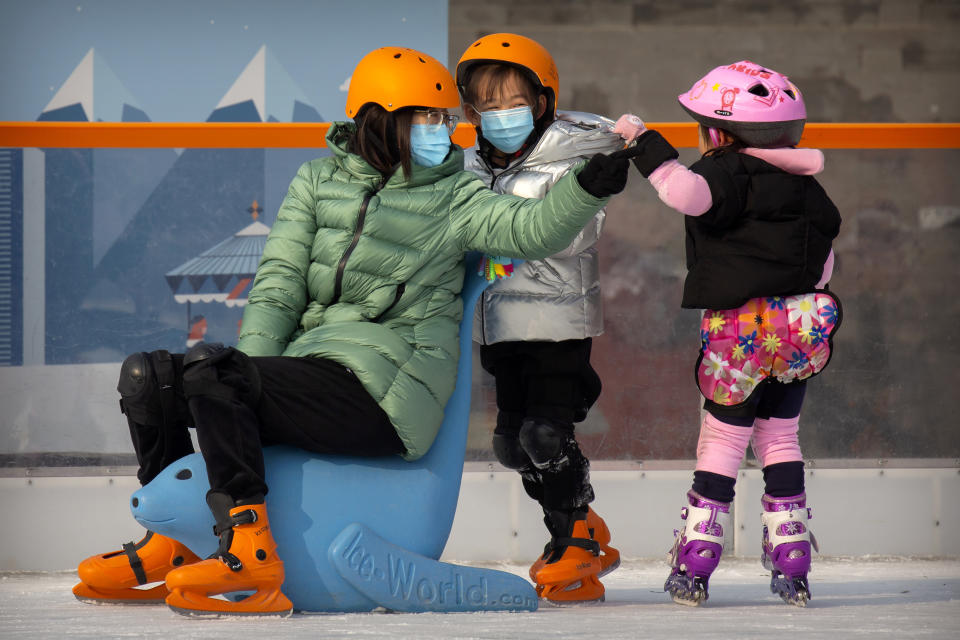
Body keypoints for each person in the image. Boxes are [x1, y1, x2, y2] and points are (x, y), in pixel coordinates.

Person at [72, 46, 638, 616]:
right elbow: (279, 286)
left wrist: (586, 186)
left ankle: (250, 552)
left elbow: (531, 228)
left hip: (386, 389)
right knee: (152, 377)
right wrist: (240, 380)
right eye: (427, 118)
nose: (442, 131)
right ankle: (178, 540)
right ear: (381, 120)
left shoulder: (456, 196)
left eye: (444, 118)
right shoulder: (318, 182)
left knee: (214, 374)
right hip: (309, 369)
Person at [625, 60, 842, 607]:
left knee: (724, 438)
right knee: (781, 436)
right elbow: (823, 269)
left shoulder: (725, 173)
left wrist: (644, 145)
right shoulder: (809, 190)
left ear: (718, 134)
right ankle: (792, 556)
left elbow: (686, 194)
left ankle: (697, 557)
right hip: (796, 334)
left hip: (737, 337)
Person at [454, 33, 644, 604]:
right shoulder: (468, 168)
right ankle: (572, 532)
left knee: (544, 433)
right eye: (487, 107)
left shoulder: (580, 159)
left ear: (541, 101)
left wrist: (589, 189)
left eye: (513, 103)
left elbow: (572, 237)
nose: (500, 117)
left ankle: (576, 535)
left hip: (556, 326)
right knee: (512, 444)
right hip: (500, 327)